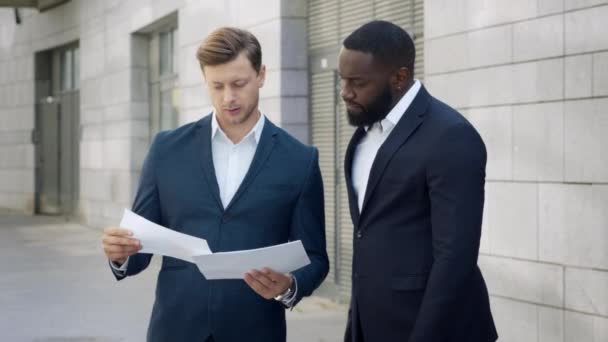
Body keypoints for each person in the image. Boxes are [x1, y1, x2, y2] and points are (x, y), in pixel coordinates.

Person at [101, 26, 329, 342]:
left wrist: (290, 285)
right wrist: (121, 253)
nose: (228, 98)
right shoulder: (166, 150)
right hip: (175, 330)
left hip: (256, 331)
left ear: (261, 75)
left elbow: (316, 257)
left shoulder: (300, 160)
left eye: (239, 84)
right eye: (216, 86)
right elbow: (139, 251)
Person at [339, 20, 498, 342]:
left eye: (357, 82)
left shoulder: (451, 136)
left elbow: (455, 257)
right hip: (372, 325)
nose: (345, 92)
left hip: (435, 330)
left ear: (399, 77)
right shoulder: (364, 135)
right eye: (342, 81)